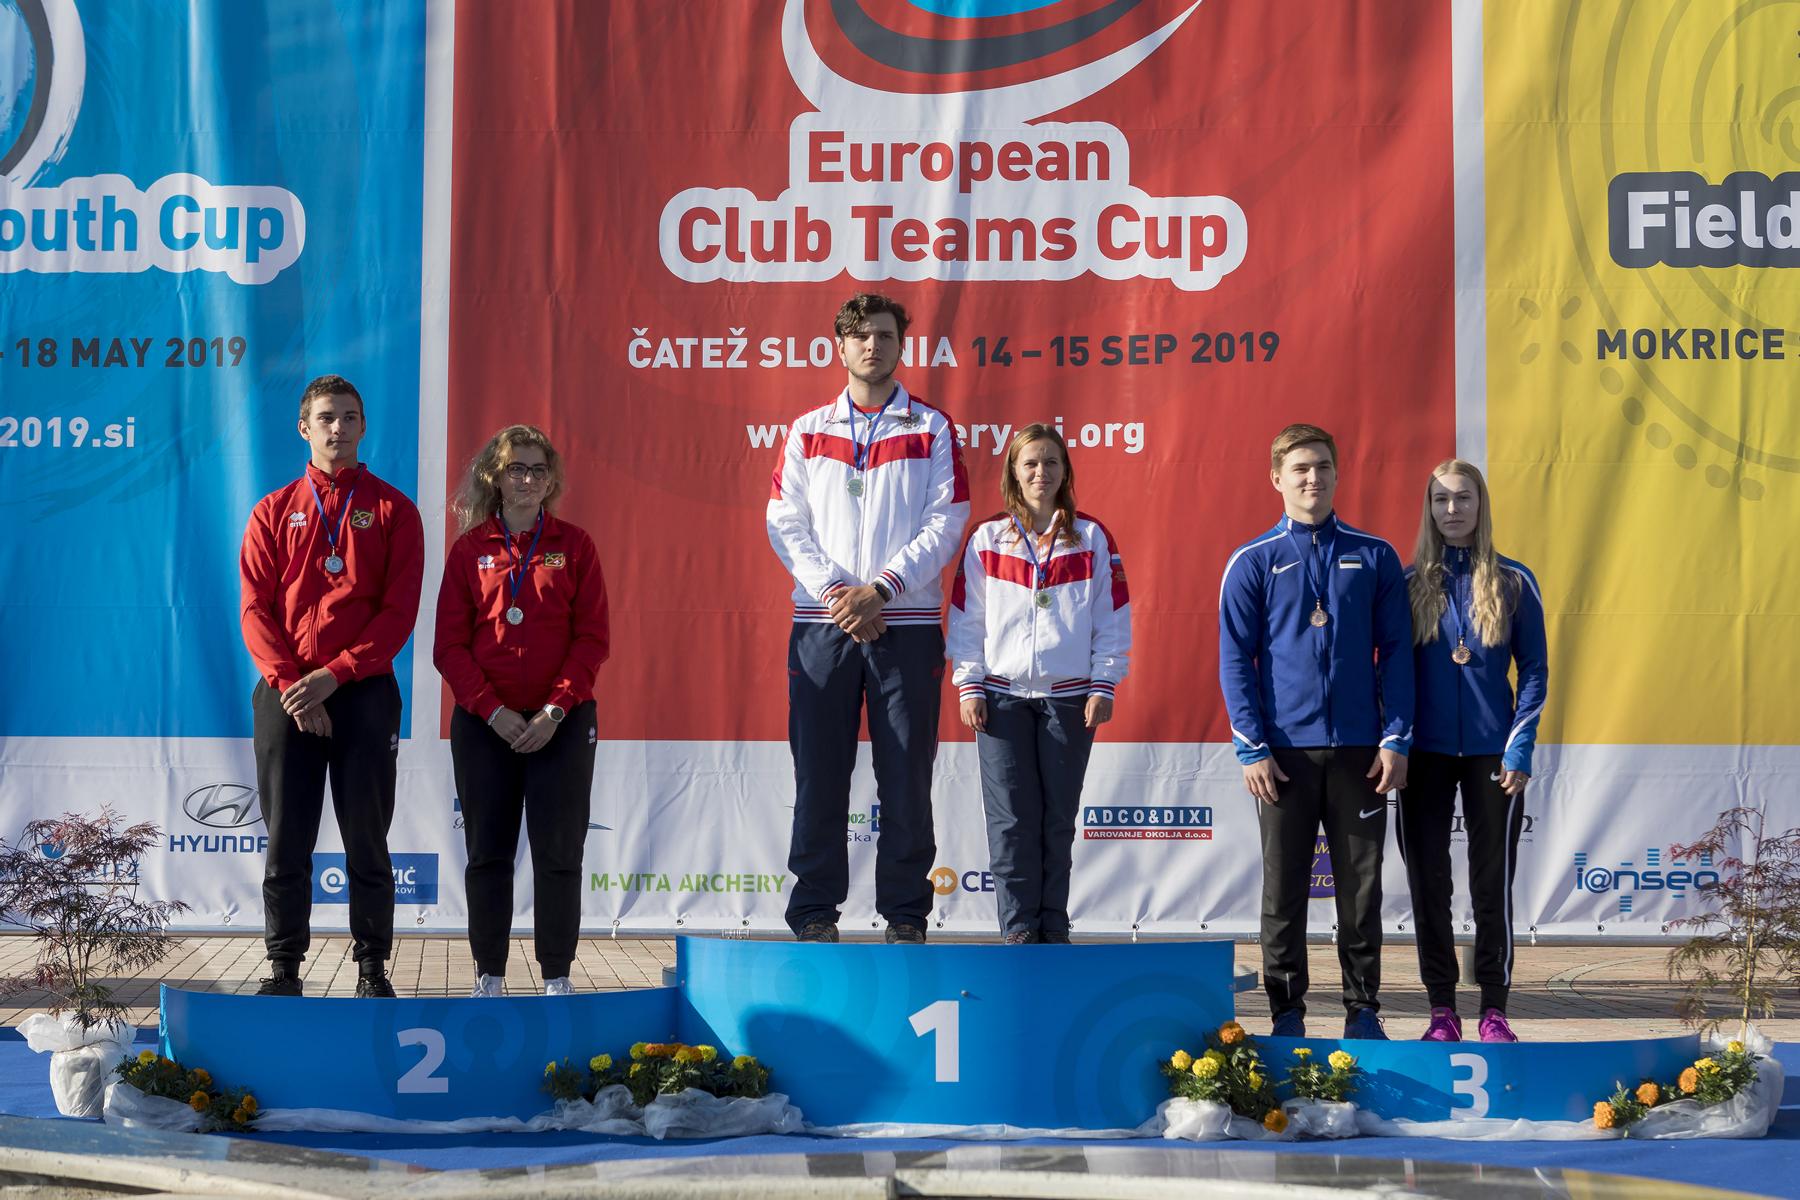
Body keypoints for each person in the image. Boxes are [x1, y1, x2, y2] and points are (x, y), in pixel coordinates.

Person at [767, 293, 969, 943]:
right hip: (822, 623)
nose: (872, 346)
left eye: (883, 335)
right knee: (819, 774)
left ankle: (906, 914)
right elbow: (785, 522)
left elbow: (947, 521)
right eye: (860, 336)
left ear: (901, 345)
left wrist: (882, 589)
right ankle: (814, 911)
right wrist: (838, 592)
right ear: (840, 347)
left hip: (903, 624)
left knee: (906, 776)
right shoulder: (807, 430)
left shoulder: (932, 428)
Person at [1218, 423, 1413, 1039]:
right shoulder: (1253, 560)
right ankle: (1287, 1013)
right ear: (1276, 478)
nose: (1312, 478)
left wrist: (1396, 737)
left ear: (1337, 474)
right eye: (1300, 468)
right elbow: (1234, 660)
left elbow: (1397, 653)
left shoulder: (1375, 555)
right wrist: (1252, 747)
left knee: (1361, 890)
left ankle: (1363, 1009)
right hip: (1283, 756)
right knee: (1283, 891)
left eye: (1323, 466)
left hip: (1361, 752)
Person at [239, 374, 424, 998]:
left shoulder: (395, 510)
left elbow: (397, 614)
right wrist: (294, 686)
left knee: (367, 838)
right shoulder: (272, 510)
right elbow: (255, 610)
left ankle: (372, 968)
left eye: (349, 417)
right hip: (286, 691)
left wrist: (334, 675)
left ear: (363, 426)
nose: (338, 427)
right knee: (286, 839)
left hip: (363, 691)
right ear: (304, 428)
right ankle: (283, 970)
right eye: (326, 417)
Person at [433, 425, 609, 997]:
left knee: (559, 854)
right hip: (487, 725)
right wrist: (492, 710)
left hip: (561, 722)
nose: (528, 479)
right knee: (488, 855)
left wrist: (555, 710)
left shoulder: (575, 546)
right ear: (496, 476)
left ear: (550, 479)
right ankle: (489, 976)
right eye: (516, 468)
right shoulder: (469, 550)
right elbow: (449, 647)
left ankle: (557, 976)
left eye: (538, 469)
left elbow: (592, 639)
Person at [947, 425, 1130, 944]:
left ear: (1065, 471)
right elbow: (967, 617)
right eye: (1029, 463)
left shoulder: (1091, 537)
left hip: (1069, 699)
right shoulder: (988, 537)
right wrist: (969, 685)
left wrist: (1104, 682)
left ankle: (1053, 927)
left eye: (1051, 462)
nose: (1040, 473)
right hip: (1000, 697)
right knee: (1010, 822)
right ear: (1013, 471)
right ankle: (1019, 931)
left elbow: (1111, 616)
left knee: (1057, 820)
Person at [1399, 459, 1547, 1043]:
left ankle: (1493, 1010)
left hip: (1494, 755)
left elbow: (1534, 670)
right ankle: (1441, 1009)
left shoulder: (1514, 581)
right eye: (1440, 500)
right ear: (1428, 509)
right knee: (1428, 884)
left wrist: (1519, 746)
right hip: (1423, 756)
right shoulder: (1407, 584)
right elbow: (1390, 673)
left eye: (1463, 498)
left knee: (1492, 884)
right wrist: (1397, 743)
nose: (1452, 509)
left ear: (1481, 505)